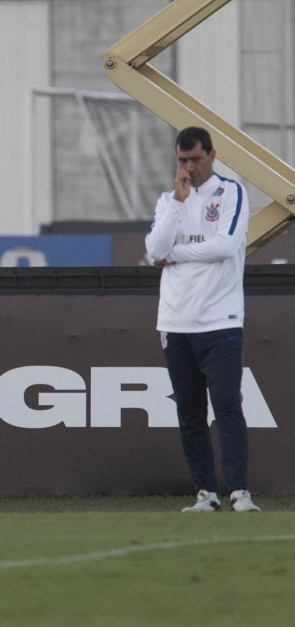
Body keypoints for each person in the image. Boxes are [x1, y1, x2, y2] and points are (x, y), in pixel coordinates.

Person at [145, 126, 260, 512]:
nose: (188, 167)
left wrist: (174, 255)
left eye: (195, 159)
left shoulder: (232, 193)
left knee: (227, 403)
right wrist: (177, 205)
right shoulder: (168, 201)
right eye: (182, 160)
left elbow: (225, 246)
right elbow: (154, 251)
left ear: (212, 154)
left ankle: (240, 492)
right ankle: (206, 494)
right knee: (190, 410)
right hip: (175, 322)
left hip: (220, 319)